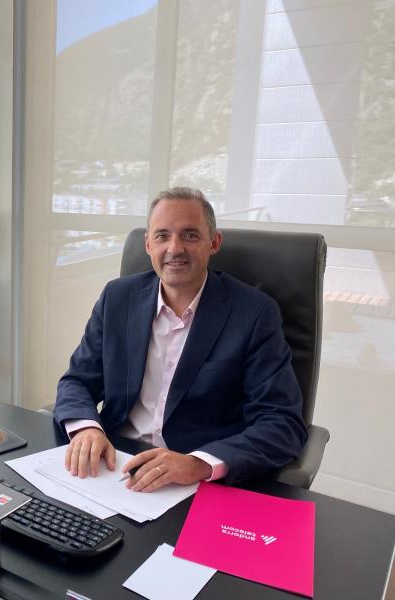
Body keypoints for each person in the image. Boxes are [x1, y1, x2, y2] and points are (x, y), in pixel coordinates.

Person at [53, 187, 307, 492]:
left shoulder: (254, 314)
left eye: (190, 235)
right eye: (162, 236)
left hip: (193, 481)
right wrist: (87, 429)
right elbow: (77, 381)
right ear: (148, 244)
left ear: (214, 242)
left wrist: (199, 463)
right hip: (115, 465)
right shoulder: (117, 298)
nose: (175, 248)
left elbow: (282, 422)